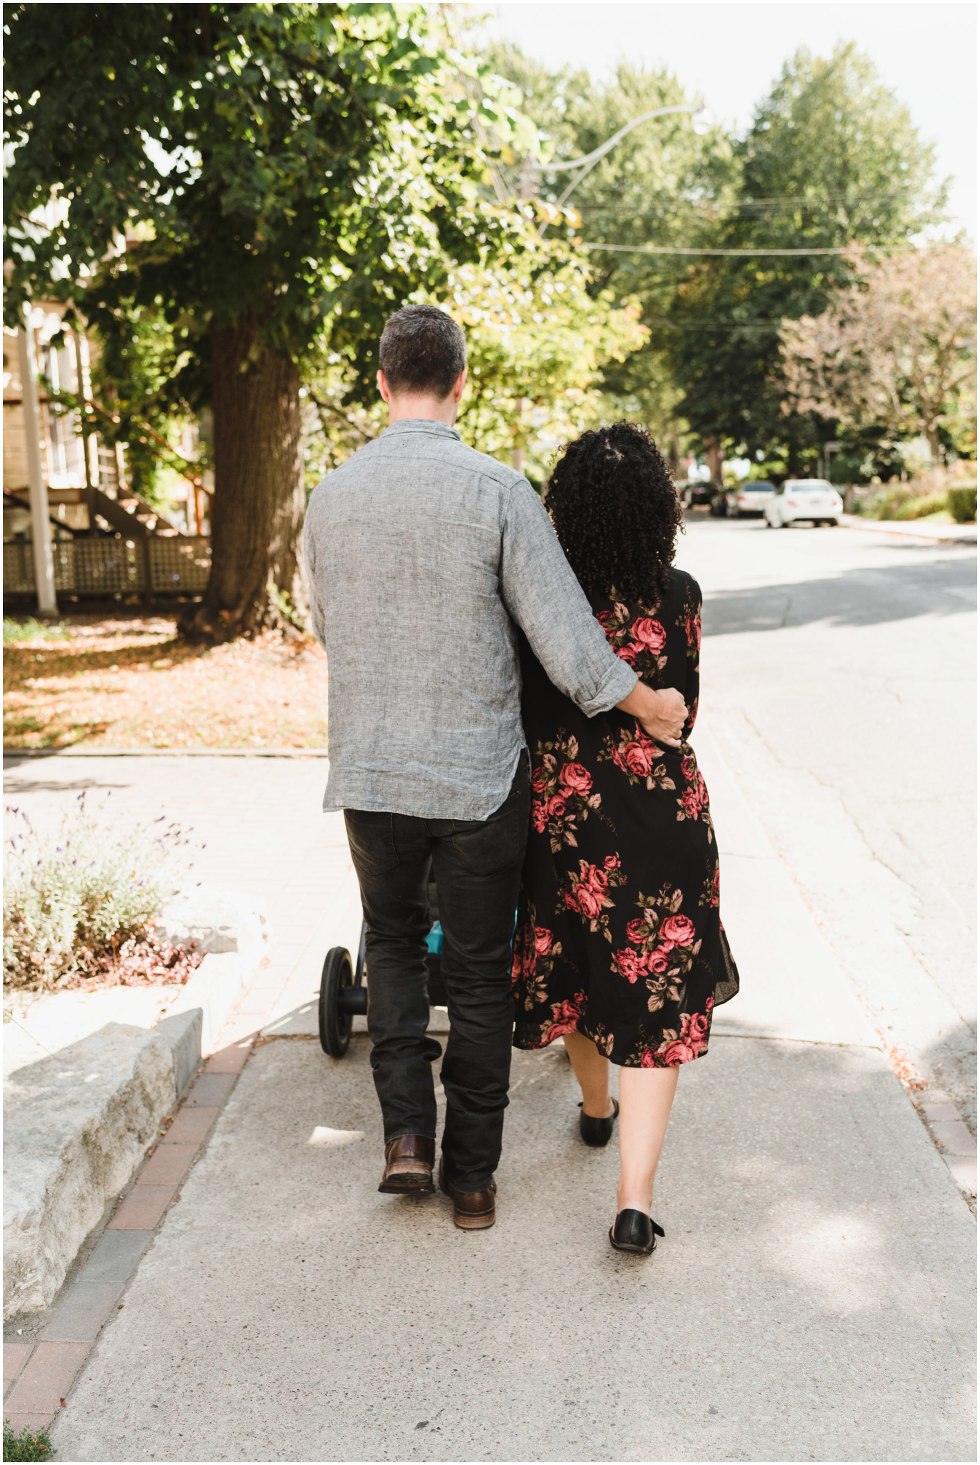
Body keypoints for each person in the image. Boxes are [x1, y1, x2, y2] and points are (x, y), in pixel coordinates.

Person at [302, 307, 687, 1232]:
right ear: (462, 381)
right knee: (477, 974)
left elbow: (329, 625)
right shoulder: (497, 490)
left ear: (383, 381)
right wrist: (649, 703)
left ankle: (406, 1139)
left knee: (392, 947)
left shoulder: (331, 496)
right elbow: (568, 644)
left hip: (372, 776)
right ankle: (470, 1179)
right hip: (477, 780)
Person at [511, 422, 740, 1256]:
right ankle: (634, 1203)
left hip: (567, 826)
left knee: (579, 972)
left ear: (565, 507)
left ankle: (596, 1110)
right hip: (665, 822)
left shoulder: (541, 594)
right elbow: (684, 715)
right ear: (660, 506)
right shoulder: (681, 595)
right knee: (657, 1000)